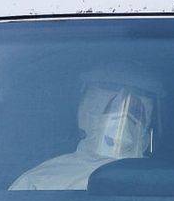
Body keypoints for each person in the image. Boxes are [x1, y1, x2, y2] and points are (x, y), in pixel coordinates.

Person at [10, 64, 159, 190]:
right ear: (88, 111)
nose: (124, 118)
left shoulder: (160, 183)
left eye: (136, 111)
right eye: (113, 107)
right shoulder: (38, 182)